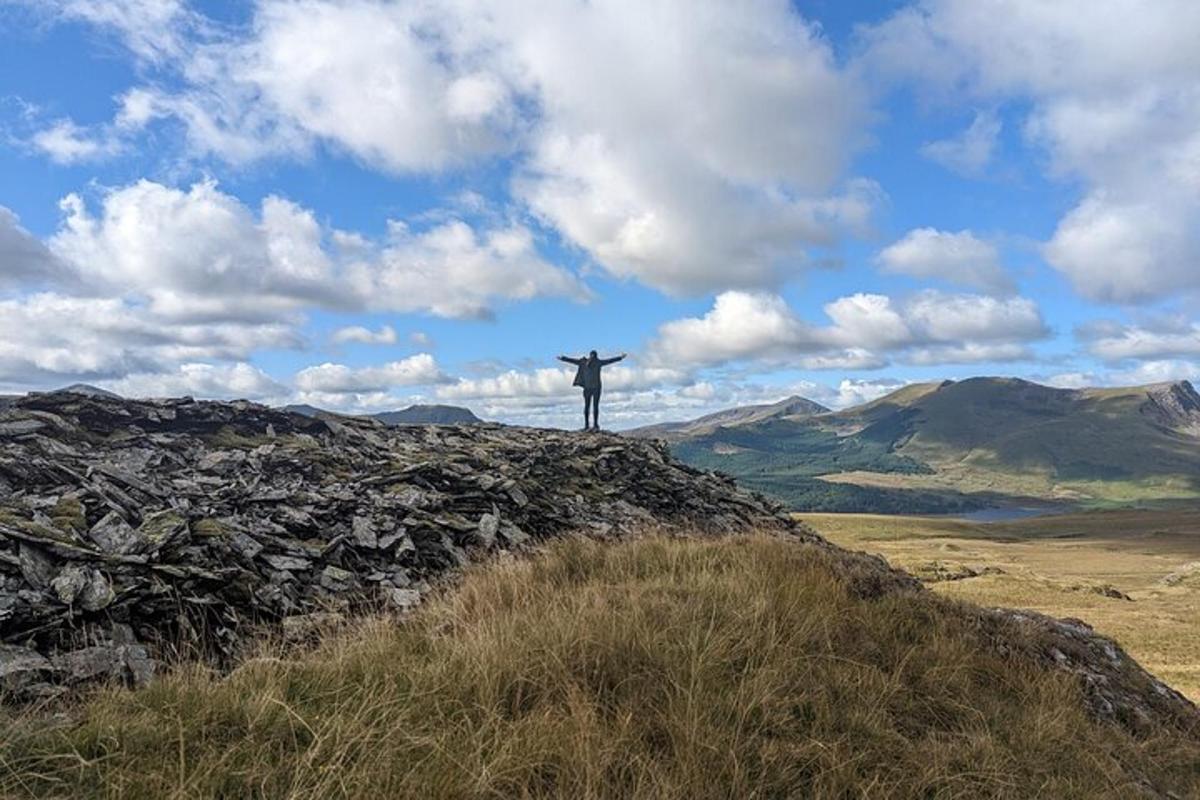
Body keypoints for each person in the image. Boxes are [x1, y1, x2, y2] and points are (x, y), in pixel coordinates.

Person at [557, 350, 626, 431]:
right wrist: (620, 358)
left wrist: (563, 358)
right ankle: (594, 425)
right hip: (596, 388)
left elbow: (572, 361)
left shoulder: (583, 362)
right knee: (594, 407)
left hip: (588, 388)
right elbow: (609, 361)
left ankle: (587, 426)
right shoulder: (597, 362)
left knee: (587, 406)